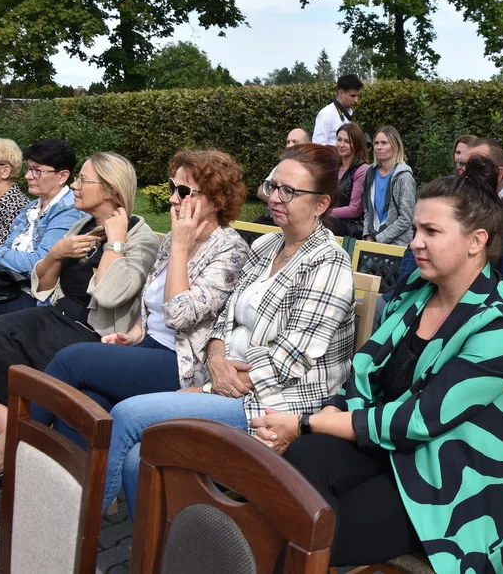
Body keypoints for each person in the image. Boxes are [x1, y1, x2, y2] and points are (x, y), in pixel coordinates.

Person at [261, 157, 503, 572]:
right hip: (393, 451)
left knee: (309, 532)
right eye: (415, 229)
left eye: (431, 231)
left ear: (476, 240)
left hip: (455, 482)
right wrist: (331, 413)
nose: (415, 242)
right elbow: (364, 369)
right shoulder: (417, 291)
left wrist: (307, 421)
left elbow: (420, 419)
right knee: (302, 464)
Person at [0, 150, 251, 487]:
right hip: (145, 347)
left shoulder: (229, 250)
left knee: (72, 361)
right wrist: (132, 333)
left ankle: (2, 456)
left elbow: (178, 316)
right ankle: (56, 496)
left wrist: (179, 249)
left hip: (183, 364)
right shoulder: (174, 237)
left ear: (217, 200)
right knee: (87, 403)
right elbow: (150, 306)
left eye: (184, 192)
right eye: (173, 187)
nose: (173, 199)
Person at [100, 144, 356, 517]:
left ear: (320, 204)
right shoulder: (267, 244)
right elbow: (226, 317)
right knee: (141, 457)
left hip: (274, 406)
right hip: (226, 383)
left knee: (127, 414)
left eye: (290, 191)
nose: (275, 198)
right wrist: (217, 357)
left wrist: (209, 386)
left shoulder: (328, 264)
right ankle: (162, 553)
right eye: (272, 186)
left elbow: (289, 361)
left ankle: (82, 530)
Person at [0, 152, 159, 436]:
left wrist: (115, 242)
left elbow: (108, 295)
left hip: (94, 331)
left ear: (110, 189)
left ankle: (21, 438)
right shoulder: (82, 227)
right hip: (59, 313)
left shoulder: (139, 238)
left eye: (83, 179)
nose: (74, 186)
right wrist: (56, 255)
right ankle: (18, 437)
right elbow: (43, 287)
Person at [0, 138, 83, 337]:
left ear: (62, 176)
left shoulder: (67, 212)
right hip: (7, 287)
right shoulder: (31, 208)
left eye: (37, 171)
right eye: (28, 168)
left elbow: (39, 262)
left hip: (36, 298)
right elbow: (8, 249)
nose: (27, 176)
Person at [395, 139, 503, 297]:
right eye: (462, 165)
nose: (464, 173)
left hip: (474, 314)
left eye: (476, 167)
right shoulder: (444, 200)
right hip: (414, 299)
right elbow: (410, 264)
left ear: (498, 173)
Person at [362, 126, 415, 246]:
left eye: (384, 143)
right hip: (372, 238)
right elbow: (367, 210)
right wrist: (368, 235)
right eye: (376, 143)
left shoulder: (404, 176)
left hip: (397, 242)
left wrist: (379, 239)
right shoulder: (369, 172)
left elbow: (406, 219)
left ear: (395, 146)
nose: (379, 147)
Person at [323, 122, 370, 238]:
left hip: (353, 225)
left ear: (357, 144)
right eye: (339, 140)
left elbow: (354, 210)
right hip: (331, 218)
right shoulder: (334, 167)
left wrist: (325, 211)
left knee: (322, 223)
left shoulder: (362, 170)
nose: (341, 144)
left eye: (347, 141)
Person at [312, 74, 363, 146]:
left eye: (357, 96)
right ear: (341, 93)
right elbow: (318, 146)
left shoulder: (349, 113)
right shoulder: (326, 114)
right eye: (352, 96)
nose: (356, 100)